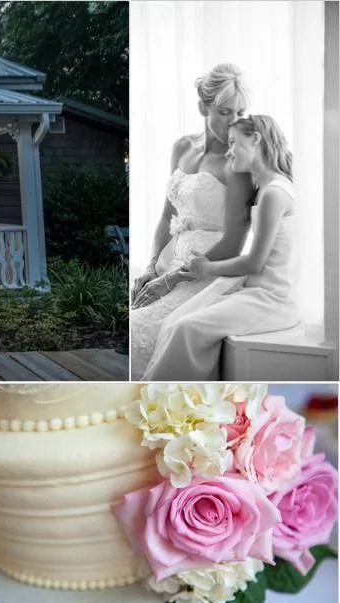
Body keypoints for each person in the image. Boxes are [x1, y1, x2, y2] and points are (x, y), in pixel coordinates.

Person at [140, 115, 299, 379]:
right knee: (173, 322)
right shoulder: (265, 189)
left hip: (271, 299)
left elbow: (255, 263)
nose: (229, 150)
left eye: (234, 142)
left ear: (256, 140)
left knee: (186, 328)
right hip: (252, 291)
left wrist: (206, 267)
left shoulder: (274, 193)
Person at [130, 62, 258, 377]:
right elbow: (166, 216)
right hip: (169, 262)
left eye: (240, 114)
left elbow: (233, 244)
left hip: (209, 272)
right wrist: (150, 269)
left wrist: (172, 280)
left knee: (138, 330)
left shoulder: (237, 164)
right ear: (204, 106)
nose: (234, 122)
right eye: (225, 112)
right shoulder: (182, 148)